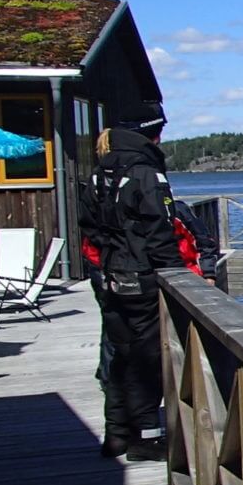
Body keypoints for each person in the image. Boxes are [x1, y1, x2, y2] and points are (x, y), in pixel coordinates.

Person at [84, 101, 182, 461]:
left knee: (121, 356)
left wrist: (112, 256)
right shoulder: (145, 174)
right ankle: (146, 437)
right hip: (141, 280)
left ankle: (116, 435)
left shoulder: (100, 171)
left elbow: (90, 226)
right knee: (148, 359)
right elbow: (160, 231)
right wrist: (174, 274)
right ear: (152, 132)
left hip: (109, 276)